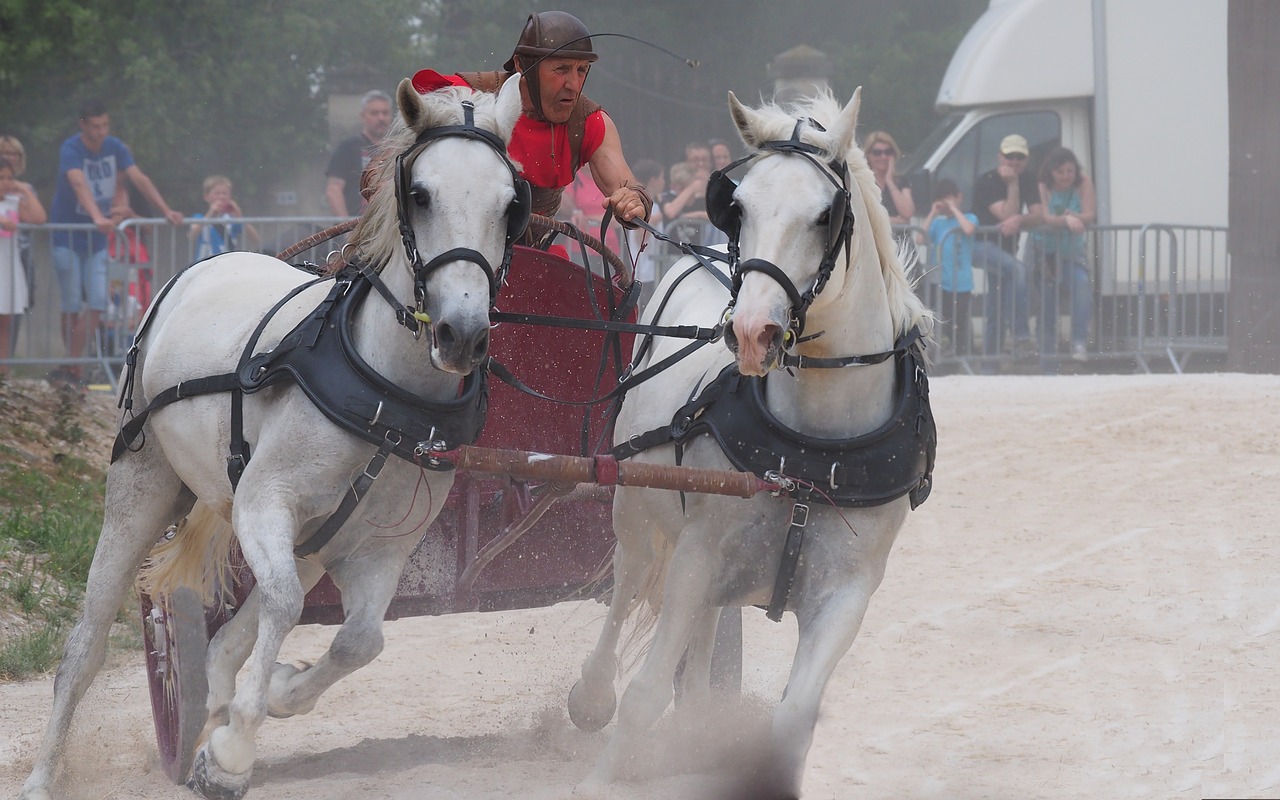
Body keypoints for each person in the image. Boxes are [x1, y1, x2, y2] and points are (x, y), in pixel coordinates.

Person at [410, 11, 651, 231]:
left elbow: (626, 185)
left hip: (534, 262)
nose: (574, 85)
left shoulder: (589, 122)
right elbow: (386, 170)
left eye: (582, 70)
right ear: (521, 65)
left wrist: (633, 201)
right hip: (452, 255)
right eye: (561, 69)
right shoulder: (466, 96)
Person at [49, 98, 184, 385]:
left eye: (104, 125)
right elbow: (78, 183)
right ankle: (73, 366)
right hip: (68, 237)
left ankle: (72, 363)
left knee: (97, 302)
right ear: (83, 124)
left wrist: (165, 209)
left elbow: (139, 178)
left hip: (96, 241)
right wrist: (97, 215)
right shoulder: (71, 148)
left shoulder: (116, 148)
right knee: (72, 303)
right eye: (95, 126)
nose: (100, 131)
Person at [971, 133, 1037, 360]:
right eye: (1010, 156)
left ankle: (991, 363)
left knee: (996, 303)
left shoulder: (1029, 178)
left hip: (1004, 250)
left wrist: (1021, 220)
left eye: (1020, 156)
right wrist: (1013, 184)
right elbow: (1006, 215)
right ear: (1000, 156)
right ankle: (1021, 337)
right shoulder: (987, 180)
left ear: (1026, 159)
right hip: (980, 246)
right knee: (1018, 269)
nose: (1015, 161)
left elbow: (1039, 216)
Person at [1027, 146, 1095, 365]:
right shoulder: (1042, 186)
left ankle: (1078, 341)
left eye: (1070, 171)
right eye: (1061, 172)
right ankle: (1046, 355)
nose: (1066, 176)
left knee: (1082, 285)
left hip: (1072, 253)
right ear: (1051, 172)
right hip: (1045, 252)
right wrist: (1067, 220)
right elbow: (1045, 217)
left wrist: (1074, 216)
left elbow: (1089, 214)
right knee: (1048, 300)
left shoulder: (1083, 183)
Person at [0, 156, 47, 367]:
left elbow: (38, 218)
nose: (6, 182)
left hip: (8, 266)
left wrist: (25, 190)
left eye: (9, 178)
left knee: (6, 323)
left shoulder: (12, 202)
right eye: (2, 178)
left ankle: (3, 371)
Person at [923, 179, 977, 356]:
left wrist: (954, 209)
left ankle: (962, 353)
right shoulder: (938, 223)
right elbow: (920, 238)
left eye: (949, 199)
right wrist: (932, 213)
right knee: (943, 319)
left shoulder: (969, 217)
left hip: (961, 282)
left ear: (958, 197)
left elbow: (969, 230)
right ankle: (946, 352)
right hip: (941, 282)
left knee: (960, 320)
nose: (945, 205)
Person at [325, 89, 393, 218]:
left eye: (385, 113)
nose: (381, 118)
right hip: (357, 227)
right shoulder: (347, 147)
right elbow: (333, 190)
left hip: (389, 229)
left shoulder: (397, 149)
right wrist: (346, 228)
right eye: (374, 113)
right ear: (363, 116)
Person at [189, 175, 260, 260]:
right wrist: (210, 214)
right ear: (206, 197)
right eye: (217, 193)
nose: (221, 196)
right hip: (205, 264)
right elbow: (191, 236)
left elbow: (256, 239)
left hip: (228, 263)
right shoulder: (199, 217)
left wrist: (239, 216)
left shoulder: (232, 220)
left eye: (225, 193)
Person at [862, 131, 915, 224]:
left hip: (899, 237)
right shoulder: (864, 182)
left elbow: (908, 212)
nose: (883, 156)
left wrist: (889, 180)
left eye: (888, 152)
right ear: (868, 156)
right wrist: (895, 220)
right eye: (877, 152)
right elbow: (864, 216)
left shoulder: (901, 181)